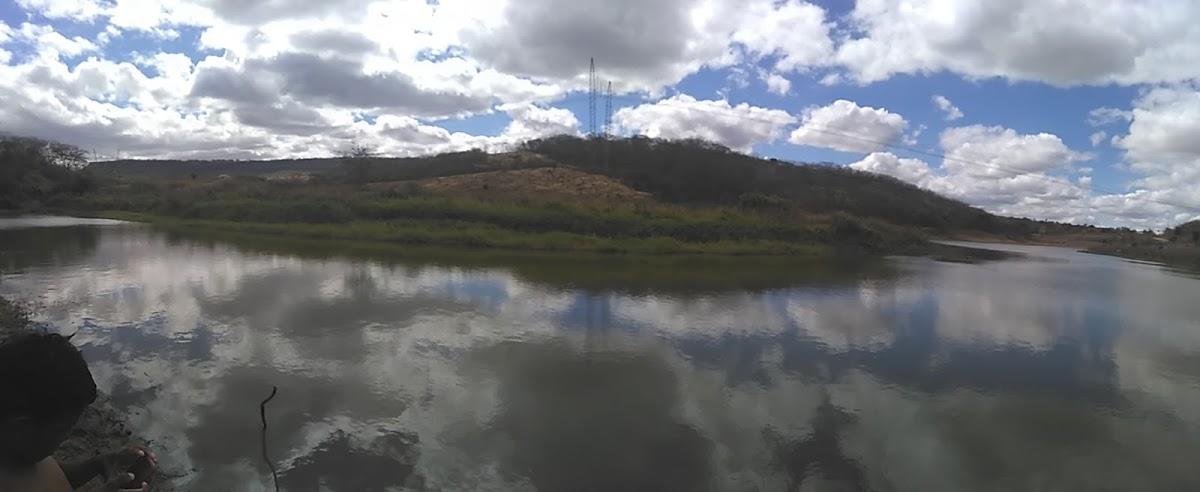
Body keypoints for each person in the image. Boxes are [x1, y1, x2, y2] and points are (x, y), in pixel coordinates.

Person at [0, 333, 156, 491]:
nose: (69, 436)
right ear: (21, 428)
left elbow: (55, 478)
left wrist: (97, 464)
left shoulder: (23, 452)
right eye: (64, 428)